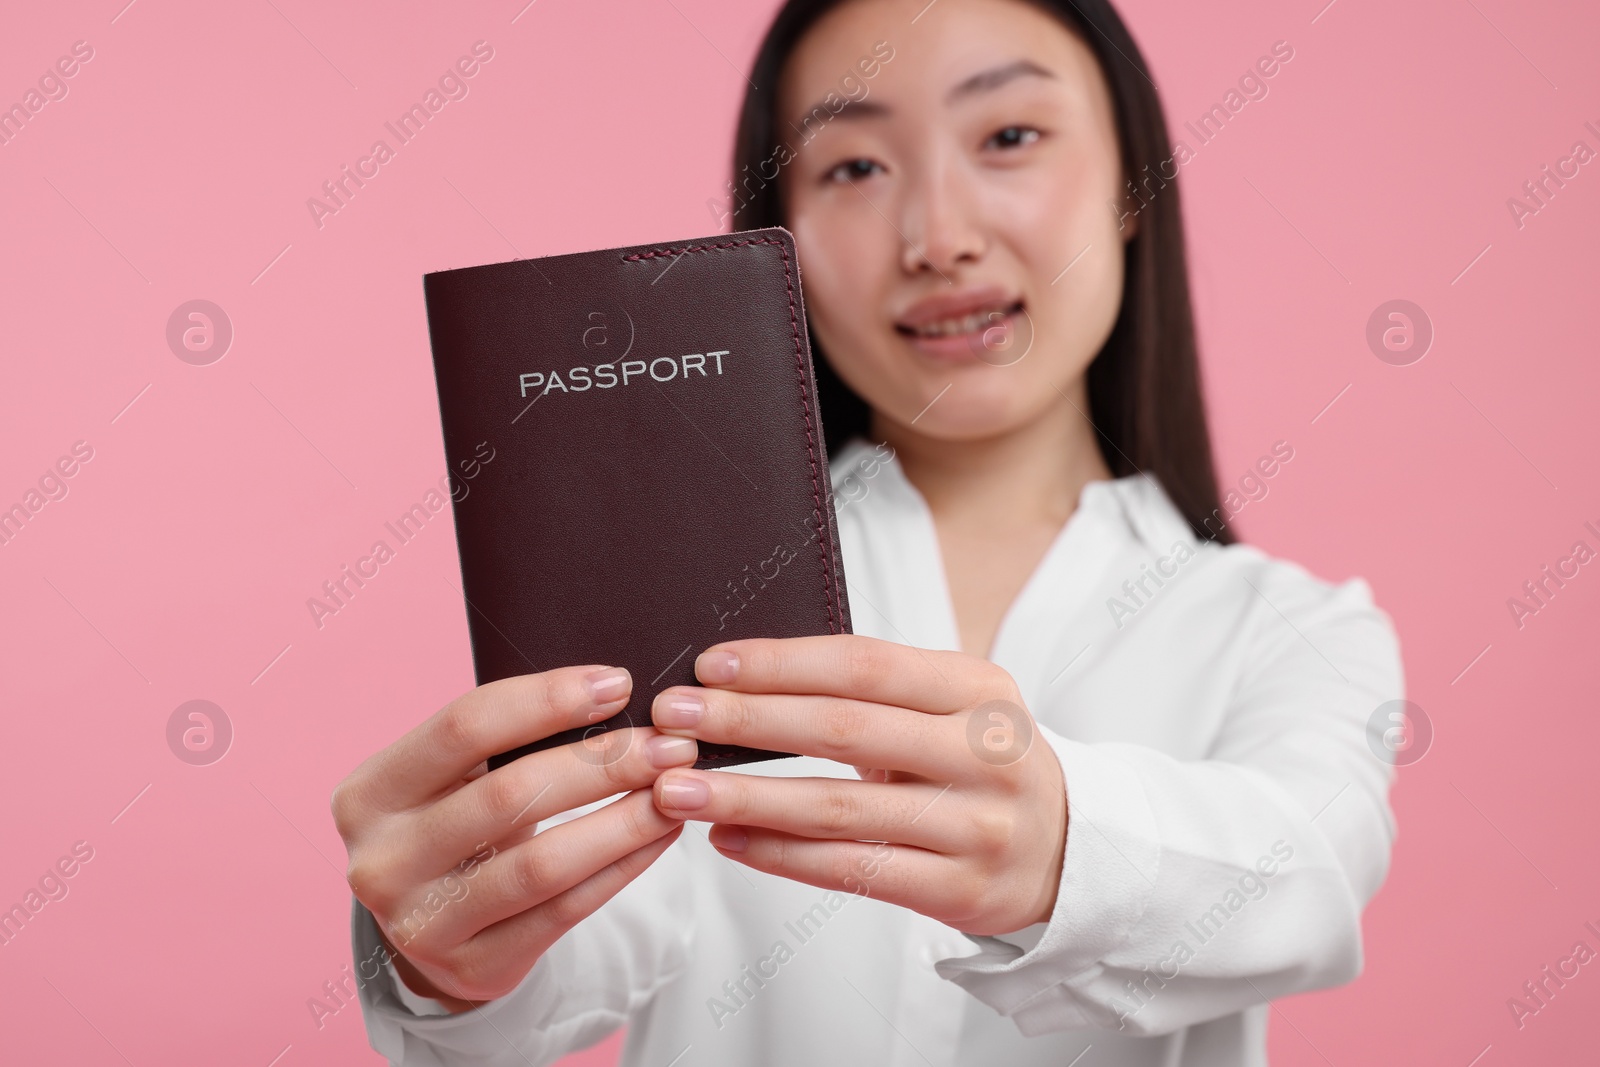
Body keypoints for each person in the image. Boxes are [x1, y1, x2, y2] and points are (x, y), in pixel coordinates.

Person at [333, 0, 1402, 1063]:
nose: (938, 238)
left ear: (1133, 183)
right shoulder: (671, 606)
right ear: (776, 232)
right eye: (851, 167)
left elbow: (1304, 874)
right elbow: (558, 966)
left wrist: (1066, 843)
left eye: (1010, 136)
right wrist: (443, 949)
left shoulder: (1295, 630)